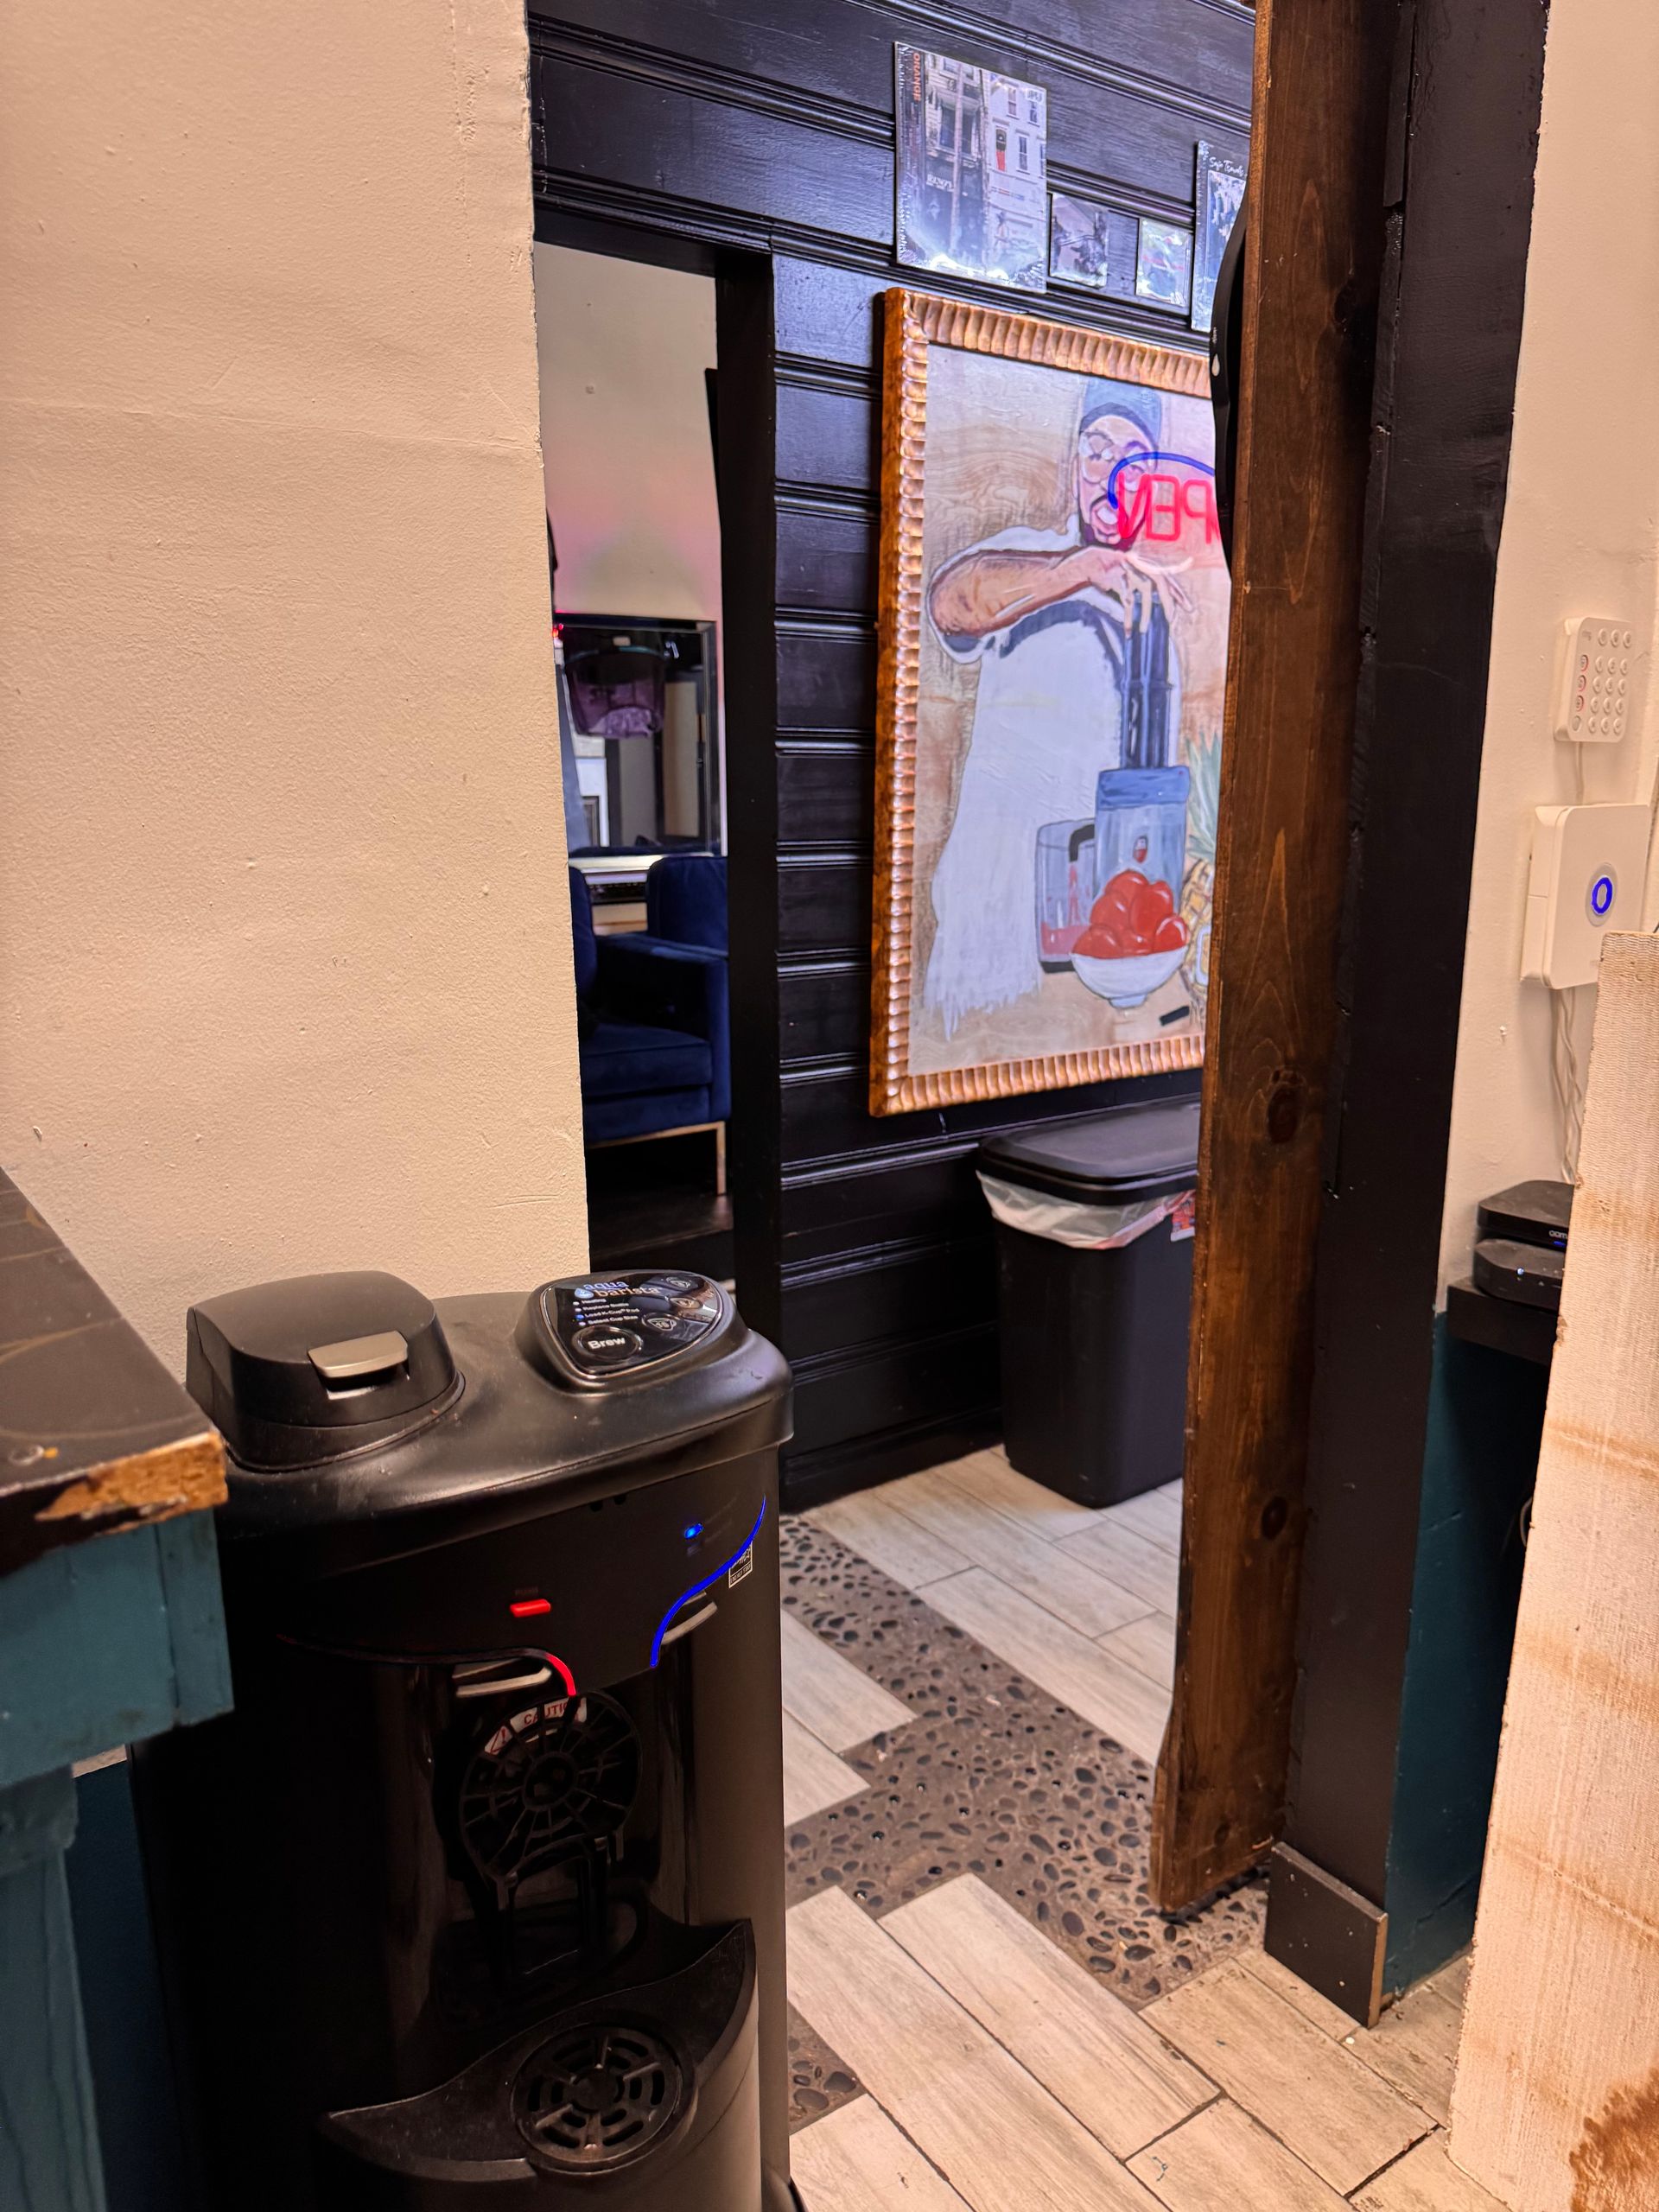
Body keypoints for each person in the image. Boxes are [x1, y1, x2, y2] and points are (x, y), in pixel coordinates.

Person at [922, 378, 1188, 1034]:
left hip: (1095, 951)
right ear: (1075, 464)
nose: (1113, 473)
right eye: (1099, 449)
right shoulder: (1029, 558)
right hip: (994, 932)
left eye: (1136, 458)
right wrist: (1078, 569)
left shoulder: (1162, 613)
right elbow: (952, 602)